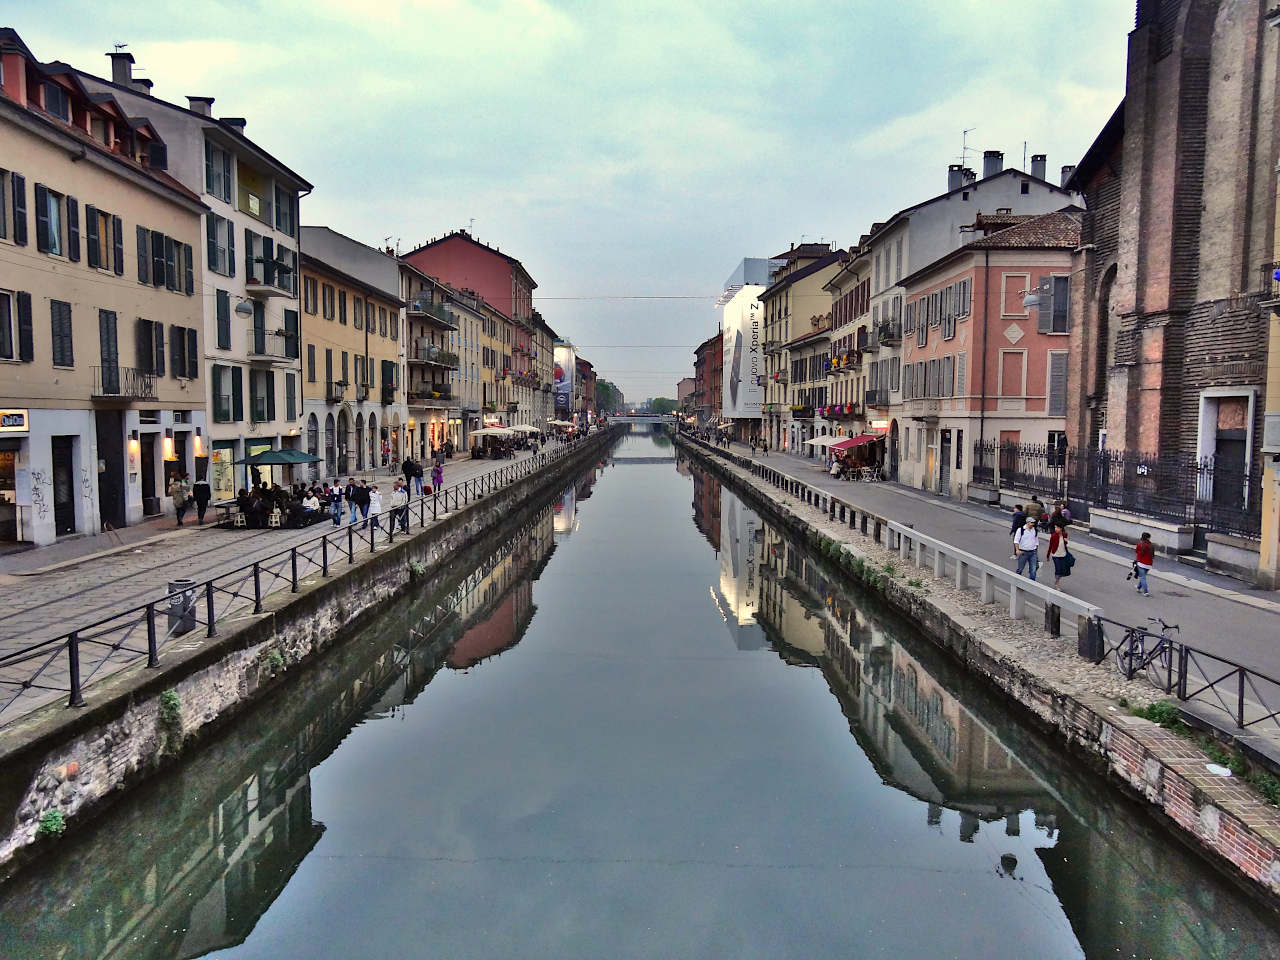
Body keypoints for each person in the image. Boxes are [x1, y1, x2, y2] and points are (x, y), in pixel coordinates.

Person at [1048, 521, 1071, 587]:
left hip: (1063, 554)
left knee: (1062, 570)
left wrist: (1066, 541)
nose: (1056, 529)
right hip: (1055, 555)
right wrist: (1048, 555)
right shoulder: (1053, 536)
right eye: (1055, 527)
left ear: (1061, 528)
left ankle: (1057, 580)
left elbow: (1064, 544)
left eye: (1057, 527)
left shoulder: (1065, 534)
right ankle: (1057, 584)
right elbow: (1050, 546)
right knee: (1058, 569)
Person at [1135, 531, 1155, 597]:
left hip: (1141, 563)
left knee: (1143, 577)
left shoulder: (1140, 544)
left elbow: (1136, 551)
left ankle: (1146, 592)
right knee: (1143, 576)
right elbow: (1153, 555)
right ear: (1148, 538)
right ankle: (1138, 588)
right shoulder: (1151, 545)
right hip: (1149, 564)